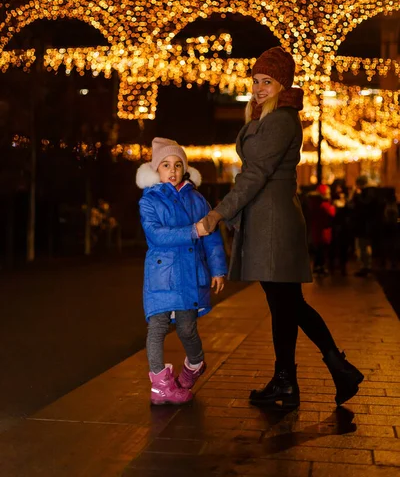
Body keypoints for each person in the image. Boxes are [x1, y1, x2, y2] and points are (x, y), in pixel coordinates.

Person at [200, 46, 364, 409]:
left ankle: (331, 370)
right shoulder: (268, 118)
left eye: (267, 81)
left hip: (272, 223)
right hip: (270, 221)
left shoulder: (279, 120)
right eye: (256, 81)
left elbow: (254, 174)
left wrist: (217, 213)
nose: (259, 88)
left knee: (288, 304)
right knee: (286, 305)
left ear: (282, 83)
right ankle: (290, 379)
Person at [136, 137, 227, 405]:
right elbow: (155, 234)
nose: (172, 170)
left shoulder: (197, 199)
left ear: (184, 168)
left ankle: (195, 364)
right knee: (157, 327)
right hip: (162, 276)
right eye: (166, 165)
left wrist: (218, 269)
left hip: (189, 274)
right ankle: (159, 385)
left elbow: (211, 238)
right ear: (156, 169)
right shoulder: (149, 200)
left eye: (178, 164)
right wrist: (192, 231)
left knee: (187, 328)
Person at [308, 184, 336, 276]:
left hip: (316, 228)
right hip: (324, 229)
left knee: (318, 249)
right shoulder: (324, 204)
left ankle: (317, 266)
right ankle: (322, 266)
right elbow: (332, 213)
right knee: (323, 250)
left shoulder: (312, 202)